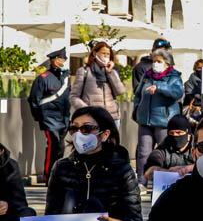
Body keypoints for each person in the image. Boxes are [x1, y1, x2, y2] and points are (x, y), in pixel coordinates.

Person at [5, 106, 141, 221]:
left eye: (86, 128)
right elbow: (51, 217)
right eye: (74, 128)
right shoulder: (61, 167)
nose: (79, 133)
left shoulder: (123, 170)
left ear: (105, 134)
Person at [134, 49, 184, 185]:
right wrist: (137, 109)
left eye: (159, 61)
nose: (155, 64)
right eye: (154, 61)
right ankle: (141, 182)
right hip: (145, 120)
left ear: (167, 64)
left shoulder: (174, 76)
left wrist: (160, 87)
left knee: (165, 153)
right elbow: (138, 94)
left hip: (164, 121)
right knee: (144, 152)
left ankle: (166, 181)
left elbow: (178, 92)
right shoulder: (147, 76)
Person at [28, 48, 71, 183]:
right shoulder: (43, 78)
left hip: (63, 117)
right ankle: (49, 177)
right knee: (54, 144)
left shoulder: (65, 78)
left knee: (61, 147)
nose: (62, 62)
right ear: (53, 60)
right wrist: (40, 117)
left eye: (64, 60)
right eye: (60, 59)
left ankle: (57, 174)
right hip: (49, 117)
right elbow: (34, 99)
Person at [70, 41, 127, 125]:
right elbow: (73, 96)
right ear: (95, 53)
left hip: (112, 117)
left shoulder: (112, 72)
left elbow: (120, 91)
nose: (106, 56)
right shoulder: (84, 71)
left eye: (108, 54)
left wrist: (110, 72)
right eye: (103, 53)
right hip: (92, 118)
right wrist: (87, 110)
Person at [0, 143, 36, 221]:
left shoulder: (10, 166)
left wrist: (7, 205)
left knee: (28, 213)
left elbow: (19, 203)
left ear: (1, 151)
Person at [142, 114, 195, 180]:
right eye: (171, 133)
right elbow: (148, 171)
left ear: (188, 136)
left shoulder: (198, 147)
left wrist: (187, 169)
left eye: (179, 132)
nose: (175, 136)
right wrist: (169, 172)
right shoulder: (162, 149)